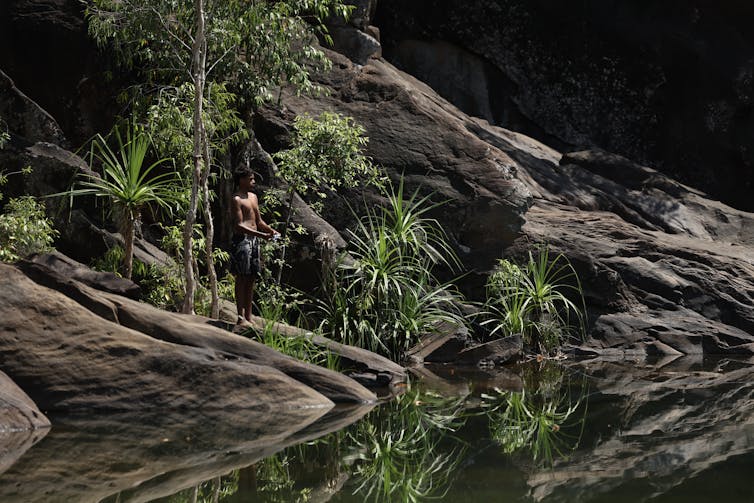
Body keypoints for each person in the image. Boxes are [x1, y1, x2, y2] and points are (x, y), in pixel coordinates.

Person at [229, 165, 279, 324]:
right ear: (241, 180)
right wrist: (261, 235)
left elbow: (258, 221)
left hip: (254, 241)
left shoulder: (253, 197)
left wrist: (271, 231)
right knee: (241, 277)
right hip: (242, 241)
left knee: (251, 277)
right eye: (250, 179)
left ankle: (249, 316)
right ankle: (239, 316)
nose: (253, 182)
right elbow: (238, 225)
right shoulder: (236, 199)